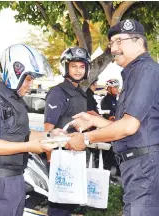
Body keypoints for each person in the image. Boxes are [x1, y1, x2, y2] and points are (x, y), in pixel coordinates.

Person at [66, 19, 159, 216]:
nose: (114, 48)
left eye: (119, 41)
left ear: (138, 42)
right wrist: (95, 121)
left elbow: (128, 127)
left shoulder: (146, 70)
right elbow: (135, 125)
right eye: (112, 43)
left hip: (147, 167)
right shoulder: (135, 72)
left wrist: (85, 139)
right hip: (142, 168)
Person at [0, 44, 63, 216]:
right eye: (29, 78)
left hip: (15, 179)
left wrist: (51, 135)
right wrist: (30, 147)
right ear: (15, 72)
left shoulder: (15, 100)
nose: (31, 84)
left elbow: (23, 134)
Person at [44, 46, 91, 216]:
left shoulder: (81, 93)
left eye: (81, 66)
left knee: (69, 204)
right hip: (60, 158)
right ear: (66, 67)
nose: (78, 70)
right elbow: (48, 129)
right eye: (73, 66)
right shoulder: (58, 92)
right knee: (59, 206)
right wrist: (52, 162)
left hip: (75, 155)